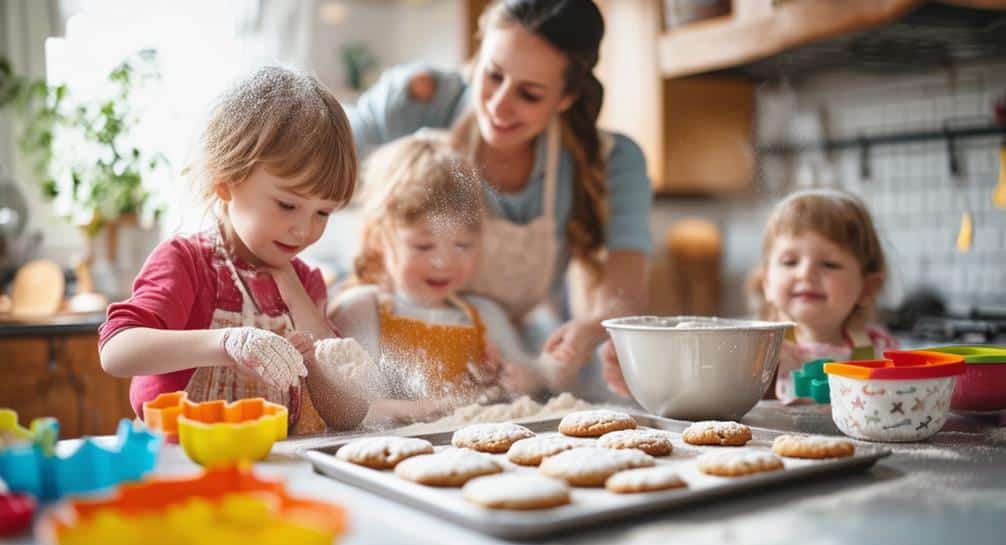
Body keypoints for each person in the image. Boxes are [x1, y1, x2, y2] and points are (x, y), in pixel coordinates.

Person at [347, 0, 651, 400]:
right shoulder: (419, 99)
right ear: (477, 54)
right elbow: (303, 163)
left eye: (529, 94)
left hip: (502, 361)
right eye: (492, 75)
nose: (498, 104)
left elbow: (622, 293)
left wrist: (591, 328)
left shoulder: (610, 160)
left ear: (566, 97)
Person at [98, 66, 369, 433]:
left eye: (323, 212)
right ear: (225, 182)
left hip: (268, 461)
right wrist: (226, 343)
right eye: (287, 205)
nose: (304, 229)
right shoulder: (186, 263)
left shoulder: (306, 283)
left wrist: (313, 354)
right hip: (182, 460)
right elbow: (117, 351)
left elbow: (347, 415)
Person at [330, 133, 555, 423]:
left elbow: (535, 383)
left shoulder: (485, 316)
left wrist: (518, 378)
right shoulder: (362, 311)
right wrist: (420, 411)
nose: (443, 261)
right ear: (378, 238)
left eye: (463, 245)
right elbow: (347, 410)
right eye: (423, 246)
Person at [748, 189, 898, 404]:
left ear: (867, 289)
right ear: (767, 284)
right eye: (790, 262)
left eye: (830, 264)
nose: (806, 273)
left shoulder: (881, 351)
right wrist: (764, 374)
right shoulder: (758, 350)